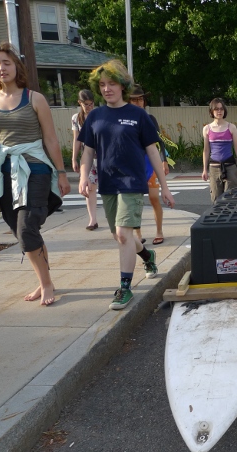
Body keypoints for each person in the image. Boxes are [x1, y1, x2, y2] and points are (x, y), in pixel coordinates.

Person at [0, 42, 71, 306]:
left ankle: (47, 284)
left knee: (27, 229)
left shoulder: (34, 98)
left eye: (6, 62)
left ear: (16, 65)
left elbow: (50, 139)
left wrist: (61, 173)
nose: (2, 68)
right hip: (4, 171)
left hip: (35, 169)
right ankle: (44, 280)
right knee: (22, 232)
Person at [77, 59, 175, 310]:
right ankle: (146, 255)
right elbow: (88, 151)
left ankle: (125, 288)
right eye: (102, 85)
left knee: (123, 234)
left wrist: (164, 186)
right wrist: (83, 176)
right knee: (121, 236)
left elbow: (153, 152)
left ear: (122, 86)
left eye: (111, 83)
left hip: (132, 182)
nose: (107, 89)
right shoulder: (95, 116)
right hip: (108, 182)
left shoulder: (138, 115)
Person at [128, 84, 169, 245]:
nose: (138, 102)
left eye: (141, 99)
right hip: (133, 165)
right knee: (135, 201)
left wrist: (164, 160)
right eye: (134, 100)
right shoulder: (125, 119)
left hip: (150, 162)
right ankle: (138, 234)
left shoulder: (150, 119)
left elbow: (159, 141)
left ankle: (159, 230)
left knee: (153, 198)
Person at [201, 98, 237, 202]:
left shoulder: (231, 127)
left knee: (232, 198)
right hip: (214, 168)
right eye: (216, 109)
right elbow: (206, 150)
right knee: (216, 199)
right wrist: (204, 169)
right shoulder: (207, 129)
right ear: (211, 111)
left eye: (221, 109)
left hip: (230, 167)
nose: (219, 111)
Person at [71, 89, 99, 230]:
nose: (89, 107)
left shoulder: (99, 115)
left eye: (91, 104)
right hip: (87, 157)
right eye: (86, 104)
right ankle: (92, 220)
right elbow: (76, 139)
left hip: (102, 156)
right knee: (90, 188)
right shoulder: (77, 118)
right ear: (80, 103)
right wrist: (74, 158)